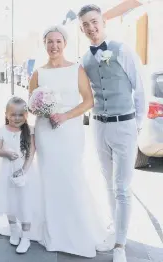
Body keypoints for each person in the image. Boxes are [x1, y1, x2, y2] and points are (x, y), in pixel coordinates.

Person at [28, 24, 106, 258]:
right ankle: (52, 232)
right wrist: (44, 110)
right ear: (44, 44)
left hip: (70, 130)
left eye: (58, 41)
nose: (54, 46)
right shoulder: (38, 73)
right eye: (49, 42)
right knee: (49, 178)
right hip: (46, 131)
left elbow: (88, 101)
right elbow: (31, 104)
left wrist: (64, 115)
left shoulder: (77, 69)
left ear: (65, 44)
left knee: (71, 176)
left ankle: (76, 231)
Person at [78, 4, 146, 262]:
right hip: (98, 125)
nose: (91, 28)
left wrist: (135, 125)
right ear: (82, 29)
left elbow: (139, 88)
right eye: (85, 25)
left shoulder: (122, 49)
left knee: (122, 187)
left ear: (103, 22)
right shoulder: (84, 59)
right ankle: (114, 230)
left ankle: (120, 244)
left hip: (124, 124)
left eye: (94, 22)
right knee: (107, 183)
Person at [0, 97, 36, 254]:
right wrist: (6, 152)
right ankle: (14, 230)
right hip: (7, 171)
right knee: (9, 200)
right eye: (13, 115)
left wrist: (23, 170)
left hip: (24, 172)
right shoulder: (2, 131)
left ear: (26, 115)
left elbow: (30, 153)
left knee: (24, 202)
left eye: (21, 115)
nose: (17, 118)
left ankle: (26, 237)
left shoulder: (29, 131)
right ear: (6, 114)